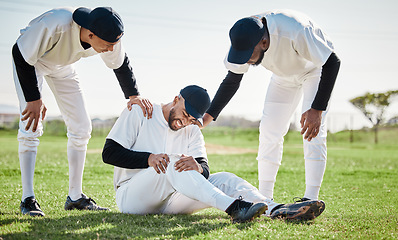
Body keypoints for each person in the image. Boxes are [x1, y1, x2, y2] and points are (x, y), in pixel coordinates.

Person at [102, 85, 325, 222]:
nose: (185, 122)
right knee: (172, 161)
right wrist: (149, 158)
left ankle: (276, 209)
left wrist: (198, 167)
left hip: (170, 202)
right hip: (132, 197)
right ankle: (234, 208)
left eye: (192, 119)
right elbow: (109, 153)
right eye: (184, 114)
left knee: (224, 178)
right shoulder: (143, 111)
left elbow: (204, 169)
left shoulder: (192, 129)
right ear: (176, 98)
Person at [12, 6, 153, 217]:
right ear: (90, 34)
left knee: (82, 128)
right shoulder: (57, 24)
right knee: (31, 126)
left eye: (115, 44)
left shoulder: (107, 35)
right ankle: (27, 198)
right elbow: (20, 54)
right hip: (31, 63)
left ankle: (75, 197)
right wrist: (34, 99)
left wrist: (134, 95)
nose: (111, 49)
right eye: (107, 45)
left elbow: (120, 63)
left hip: (62, 67)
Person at [202, 10, 341, 203]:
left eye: (248, 55)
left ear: (264, 43)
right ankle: (265, 199)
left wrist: (317, 109)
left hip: (315, 71)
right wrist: (209, 115)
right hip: (283, 77)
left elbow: (332, 62)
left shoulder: (296, 29)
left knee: (312, 132)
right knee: (269, 131)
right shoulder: (244, 35)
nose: (245, 60)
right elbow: (232, 80)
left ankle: (310, 198)